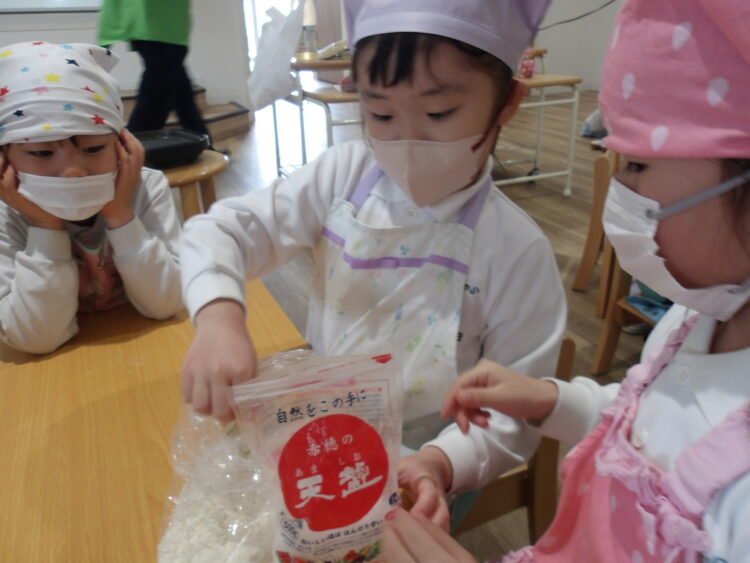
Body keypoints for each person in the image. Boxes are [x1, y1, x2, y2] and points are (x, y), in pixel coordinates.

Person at [387, 0, 750, 561]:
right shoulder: (700, 313)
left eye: (636, 166)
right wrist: (550, 400)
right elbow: (644, 418)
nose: (617, 190)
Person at [180, 0, 566, 470]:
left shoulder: (515, 250)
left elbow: (512, 416)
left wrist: (442, 464)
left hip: (434, 456)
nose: (407, 141)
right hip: (326, 422)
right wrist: (219, 318)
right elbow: (221, 230)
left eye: (439, 113)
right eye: (381, 115)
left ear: (507, 102)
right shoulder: (342, 179)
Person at [0, 41, 182, 354]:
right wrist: (44, 225)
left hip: (143, 344)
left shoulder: (145, 187)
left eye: (94, 149)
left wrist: (120, 215)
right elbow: (36, 337)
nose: (73, 172)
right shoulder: (7, 210)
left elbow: (167, 302)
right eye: (41, 153)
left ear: (122, 144)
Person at [97, 0, 211, 142]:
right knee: (157, 98)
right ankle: (129, 149)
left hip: (160, 24)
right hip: (158, 25)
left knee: (180, 93)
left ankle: (204, 144)